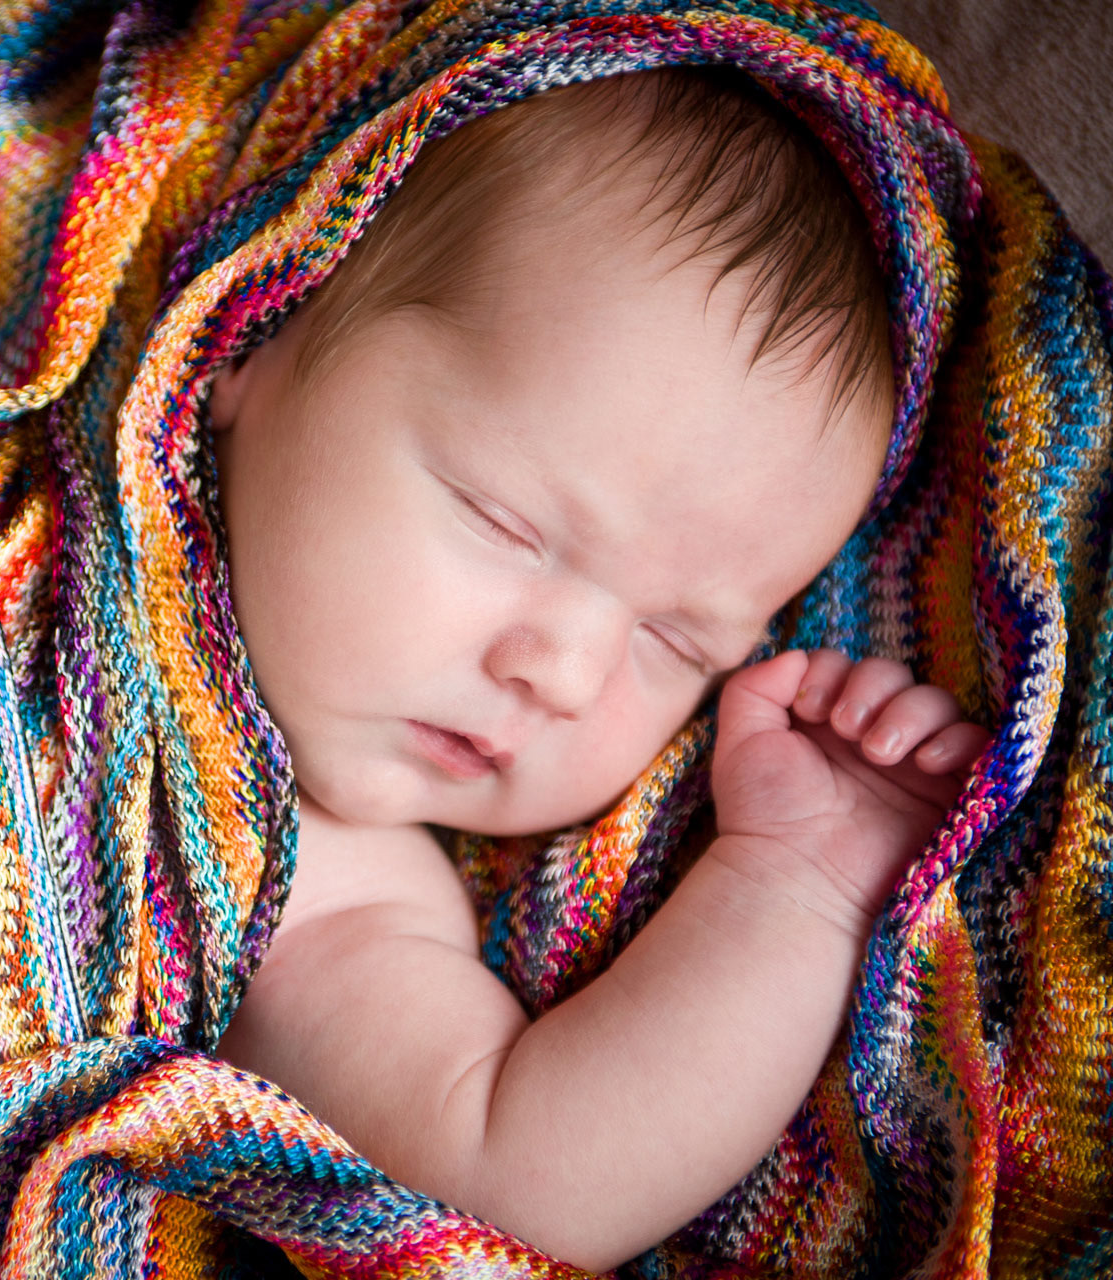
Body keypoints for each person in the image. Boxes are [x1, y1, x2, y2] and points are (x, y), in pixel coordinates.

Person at [209, 68, 993, 1273]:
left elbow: (513, 1179)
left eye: (676, 640)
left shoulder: (317, 875)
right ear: (261, 322)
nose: (564, 675)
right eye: (504, 522)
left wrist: (796, 886)